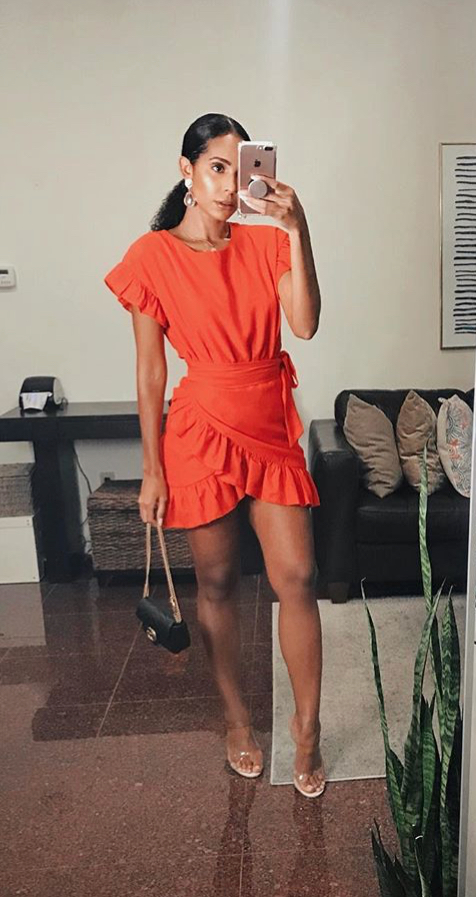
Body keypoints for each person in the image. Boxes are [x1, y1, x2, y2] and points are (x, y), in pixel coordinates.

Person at [104, 112, 325, 798]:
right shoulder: (151, 256)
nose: (230, 185)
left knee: (298, 576)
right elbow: (150, 372)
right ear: (188, 171)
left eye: (241, 168)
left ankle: (308, 728)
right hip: (199, 431)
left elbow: (305, 324)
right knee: (219, 583)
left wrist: (298, 227)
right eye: (217, 168)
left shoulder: (268, 243)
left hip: (268, 420)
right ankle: (236, 720)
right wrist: (151, 469)